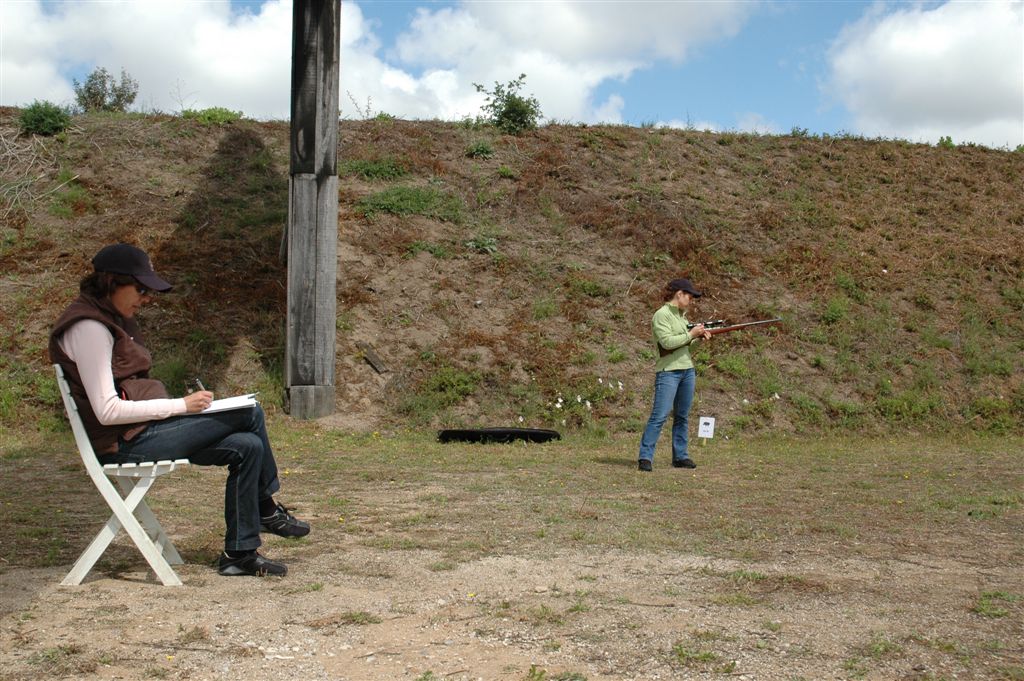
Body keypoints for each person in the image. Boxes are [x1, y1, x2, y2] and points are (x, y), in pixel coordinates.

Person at [49, 243, 309, 577]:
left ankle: (239, 554)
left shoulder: (107, 317)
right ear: (112, 282)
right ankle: (266, 509)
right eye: (141, 289)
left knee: (248, 446)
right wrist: (180, 406)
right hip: (125, 443)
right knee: (250, 412)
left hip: (141, 432)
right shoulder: (90, 328)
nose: (146, 298)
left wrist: (181, 410)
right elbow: (106, 411)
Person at [637, 278, 712, 472]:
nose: (691, 300)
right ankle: (645, 457)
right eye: (689, 296)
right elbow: (667, 343)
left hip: (687, 370)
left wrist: (699, 339)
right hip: (668, 372)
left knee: (682, 416)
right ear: (679, 294)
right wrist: (692, 334)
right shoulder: (661, 315)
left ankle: (680, 456)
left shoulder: (682, 318)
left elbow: (685, 348)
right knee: (659, 415)